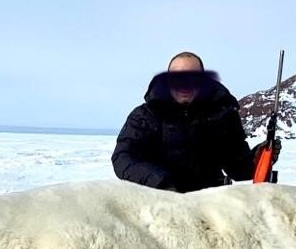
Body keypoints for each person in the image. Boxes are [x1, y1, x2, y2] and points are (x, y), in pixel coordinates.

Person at [112, 51, 280, 193]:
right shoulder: (145, 115)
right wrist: (161, 182)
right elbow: (123, 158)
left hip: (209, 204)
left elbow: (238, 169)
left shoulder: (223, 114)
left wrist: (257, 159)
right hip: (159, 201)